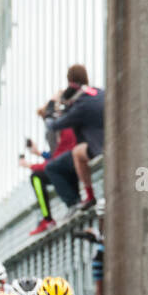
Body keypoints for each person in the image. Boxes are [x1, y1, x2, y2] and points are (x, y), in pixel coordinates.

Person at [43, 65, 105, 213]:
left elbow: (53, 125)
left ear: (70, 82)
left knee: (56, 165)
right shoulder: (98, 92)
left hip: (99, 147)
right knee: (68, 159)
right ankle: (79, 199)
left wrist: (52, 104)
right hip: (111, 143)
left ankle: (84, 199)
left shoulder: (81, 104)